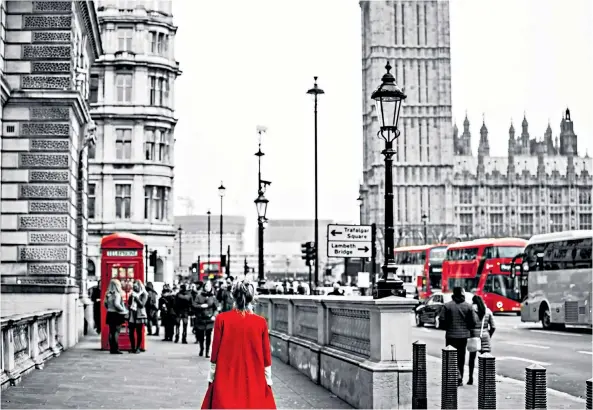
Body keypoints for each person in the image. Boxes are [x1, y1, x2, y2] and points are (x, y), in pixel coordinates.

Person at [200, 279, 276, 409]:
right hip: (253, 378)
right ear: (252, 297)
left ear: (232, 295)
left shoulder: (221, 319)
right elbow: (266, 357)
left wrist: (211, 377)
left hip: (225, 376)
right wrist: (268, 381)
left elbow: (215, 354)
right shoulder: (261, 323)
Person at [438, 287, 476, 386]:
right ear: (463, 294)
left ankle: (451, 377)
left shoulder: (447, 306)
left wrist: (447, 326)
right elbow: (473, 322)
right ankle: (460, 378)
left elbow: (441, 319)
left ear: (453, 294)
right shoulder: (468, 306)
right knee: (461, 357)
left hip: (450, 335)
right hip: (463, 336)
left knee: (450, 357)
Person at [467, 295, 496, 385]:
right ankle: (485, 379)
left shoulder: (471, 310)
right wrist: (488, 335)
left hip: (474, 335)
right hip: (485, 336)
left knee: (472, 358)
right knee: (485, 359)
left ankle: (470, 378)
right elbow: (493, 326)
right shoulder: (488, 311)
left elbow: (468, 324)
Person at [103, 279, 128, 354]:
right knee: (116, 332)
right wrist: (123, 310)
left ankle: (111, 349)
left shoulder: (108, 294)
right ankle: (116, 349)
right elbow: (117, 304)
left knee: (111, 332)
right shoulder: (117, 294)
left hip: (110, 313)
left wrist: (109, 309)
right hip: (116, 314)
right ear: (117, 285)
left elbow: (105, 304)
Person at [194, 281, 218, 356]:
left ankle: (207, 351)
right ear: (204, 287)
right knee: (200, 335)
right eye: (206, 286)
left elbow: (216, 308)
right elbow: (194, 305)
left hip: (210, 319)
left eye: (209, 286)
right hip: (201, 318)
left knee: (208, 335)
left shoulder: (213, 297)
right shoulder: (199, 296)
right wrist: (201, 306)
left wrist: (214, 315)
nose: (208, 287)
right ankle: (201, 348)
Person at [127, 280, 148, 353]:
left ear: (139, 286)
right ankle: (132, 347)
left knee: (139, 332)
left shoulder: (144, 294)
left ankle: (138, 348)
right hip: (132, 313)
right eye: (133, 286)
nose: (134, 288)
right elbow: (129, 304)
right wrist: (130, 296)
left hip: (139, 314)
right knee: (131, 332)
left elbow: (142, 305)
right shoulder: (132, 293)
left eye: (135, 286)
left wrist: (136, 297)